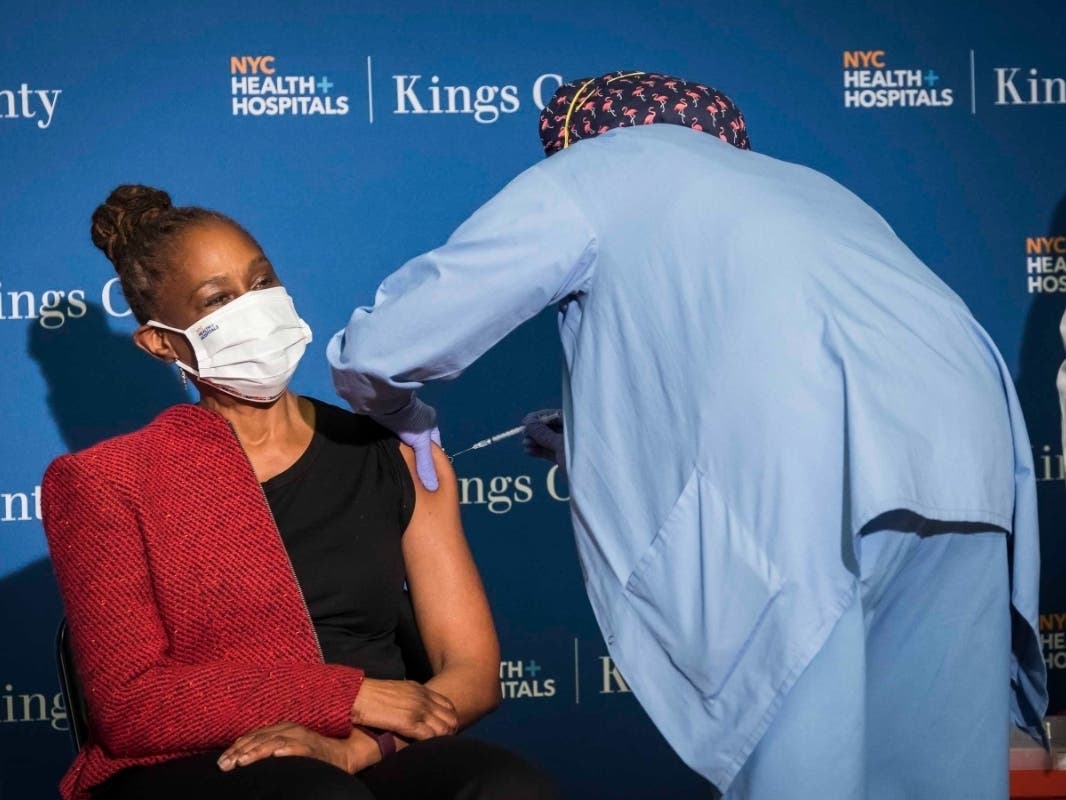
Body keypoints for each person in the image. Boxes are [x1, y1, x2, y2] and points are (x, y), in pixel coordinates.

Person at [327, 71, 1048, 799]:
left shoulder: (596, 168)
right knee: (934, 771)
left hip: (817, 481)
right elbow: (770, 354)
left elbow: (384, 349)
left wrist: (400, 414)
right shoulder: (810, 187)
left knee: (802, 764)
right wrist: (591, 440)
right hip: (969, 464)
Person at [41, 185, 560, 800]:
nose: (254, 309)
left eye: (262, 282)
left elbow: (470, 672)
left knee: (505, 788)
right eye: (218, 300)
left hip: (370, 744)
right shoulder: (106, 481)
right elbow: (131, 705)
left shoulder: (391, 453)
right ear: (161, 342)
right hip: (206, 756)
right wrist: (350, 696)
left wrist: (358, 746)